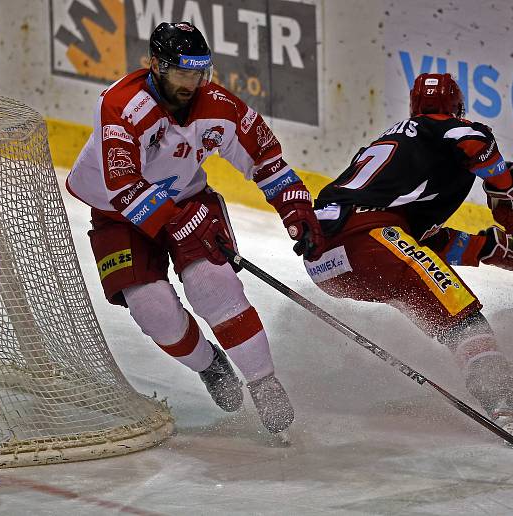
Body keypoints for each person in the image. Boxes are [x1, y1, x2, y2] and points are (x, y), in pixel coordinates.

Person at [66, 21, 324, 434]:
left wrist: (296, 210)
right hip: (117, 213)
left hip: (189, 199)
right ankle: (210, 365)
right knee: (153, 310)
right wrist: (176, 222)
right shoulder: (120, 105)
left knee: (213, 285)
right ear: (155, 65)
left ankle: (263, 381)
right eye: (182, 72)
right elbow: (125, 186)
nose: (192, 82)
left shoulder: (218, 104)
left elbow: (266, 159)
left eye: (199, 71)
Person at [302, 73, 513, 436]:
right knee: (462, 316)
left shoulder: (397, 148)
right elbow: (475, 142)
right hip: (367, 239)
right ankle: (504, 404)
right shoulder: (448, 128)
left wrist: (491, 249)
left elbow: (420, 241)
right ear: (457, 108)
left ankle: (492, 388)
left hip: (325, 261)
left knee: (429, 296)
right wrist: (508, 194)